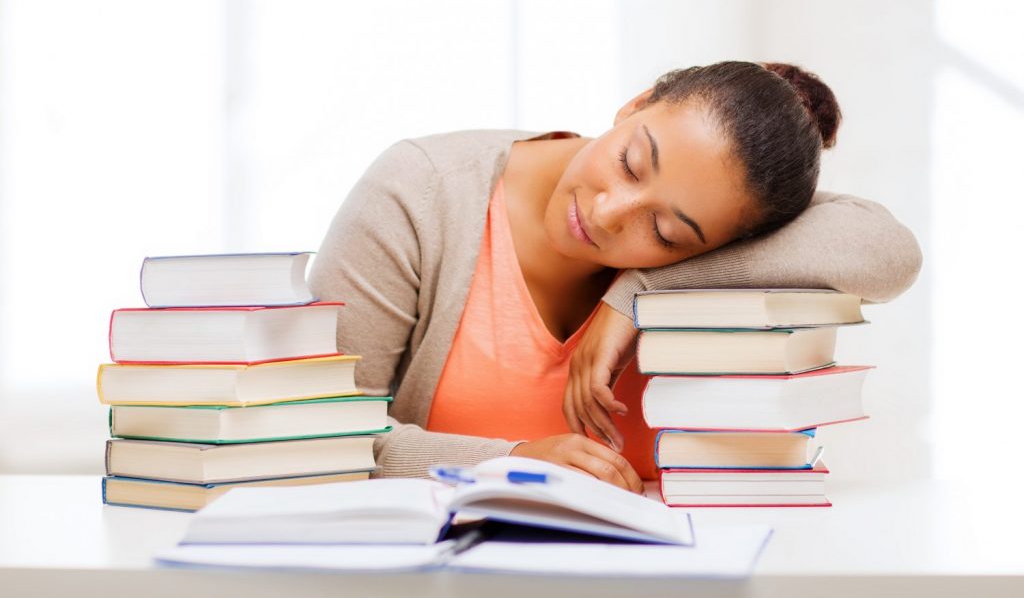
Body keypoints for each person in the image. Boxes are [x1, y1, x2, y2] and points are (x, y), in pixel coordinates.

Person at [309, 61, 922, 493]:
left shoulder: (719, 230)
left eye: (665, 234)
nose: (606, 215)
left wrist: (636, 292)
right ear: (637, 103)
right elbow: (315, 431)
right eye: (630, 163)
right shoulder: (423, 192)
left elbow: (889, 253)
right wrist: (509, 461)